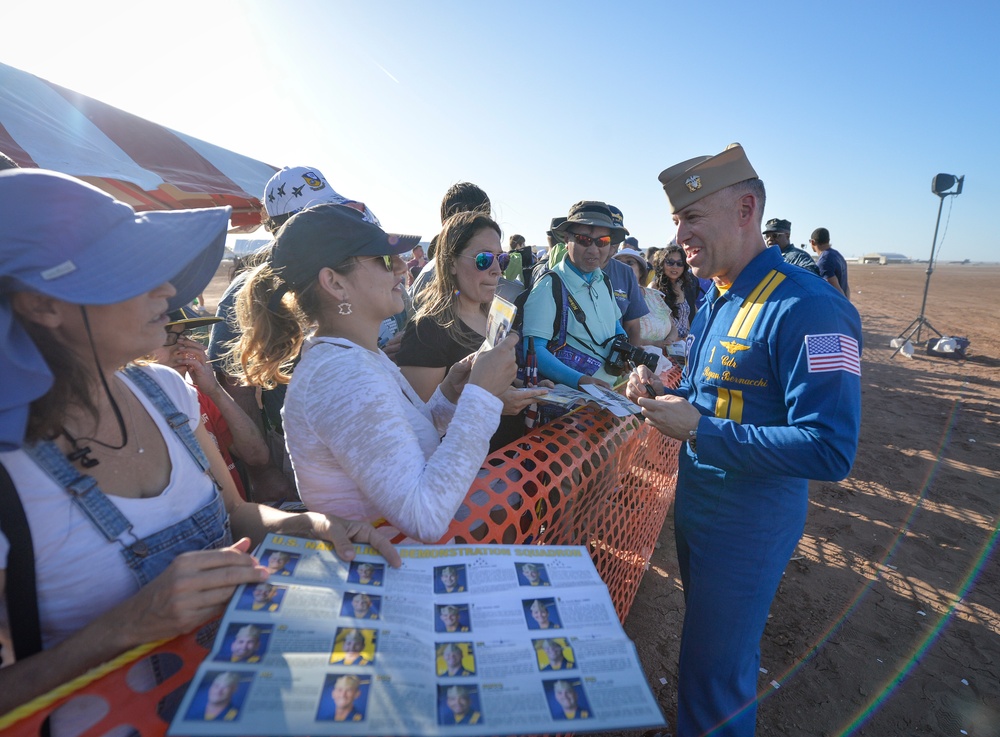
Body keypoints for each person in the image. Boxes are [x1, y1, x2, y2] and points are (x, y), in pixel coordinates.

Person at [0, 169, 400, 721]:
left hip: (251, 700)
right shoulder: (9, 472)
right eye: (129, 269)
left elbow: (235, 512)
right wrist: (127, 625)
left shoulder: (165, 391)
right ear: (43, 304)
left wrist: (304, 525)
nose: (166, 288)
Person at [628, 143, 861, 737]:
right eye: (677, 219)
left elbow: (829, 448)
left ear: (746, 209)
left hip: (749, 523)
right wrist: (660, 388)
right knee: (703, 659)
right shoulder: (719, 295)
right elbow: (715, 392)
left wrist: (703, 429)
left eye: (692, 216)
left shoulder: (809, 306)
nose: (679, 233)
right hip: (700, 505)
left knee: (715, 679)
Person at [232, 204, 518, 543]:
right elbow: (424, 516)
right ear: (335, 283)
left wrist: (449, 396)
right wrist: (481, 398)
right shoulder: (340, 374)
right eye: (384, 259)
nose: (401, 266)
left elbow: (401, 441)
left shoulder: (355, 355)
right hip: (390, 570)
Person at [397, 212, 546, 450]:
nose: (497, 269)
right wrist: (492, 403)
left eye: (502, 259)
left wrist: (529, 388)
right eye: (484, 259)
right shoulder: (427, 329)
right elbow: (418, 425)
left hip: (511, 463)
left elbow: (495, 378)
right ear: (452, 262)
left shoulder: (496, 316)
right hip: (467, 478)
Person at [150, 316, 270, 501]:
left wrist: (214, 390)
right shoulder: (136, 410)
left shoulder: (199, 394)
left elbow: (256, 456)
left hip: (235, 519)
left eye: (184, 335)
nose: (182, 347)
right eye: (167, 336)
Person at [522, 201, 629, 389]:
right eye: (583, 240)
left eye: (602, 241)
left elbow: (615, 325)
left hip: (607, 395)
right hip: (570, 405)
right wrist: (580, 381)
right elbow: (532, 350)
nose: (594, 250)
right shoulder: (549, 285)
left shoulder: (603, 280)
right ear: (566, 239)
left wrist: (627, 351)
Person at [614, 248, 677, 367]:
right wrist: (657, 344)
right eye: (618, 263)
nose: (623, 266)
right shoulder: (612, 296)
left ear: (641, 271)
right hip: (634, 366)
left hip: (667, 364)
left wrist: (670, 342)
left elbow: (673, 326)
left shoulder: (655, 295)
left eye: (629, 262)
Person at [651, 244, 699, 340]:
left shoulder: (685, 287)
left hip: (686, 344)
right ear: (662, 264)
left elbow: (692, 316)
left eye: (679, 263)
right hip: (665, 344)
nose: (675, 267)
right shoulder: (654, 287)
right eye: (670, 262)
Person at [810, 226, 851, 300]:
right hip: (843, 303)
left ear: (812, 242)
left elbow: (835, 288)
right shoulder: (837, 255)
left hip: (836, 306)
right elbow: (845, 286)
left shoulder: (824, 261)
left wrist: (845, 306)